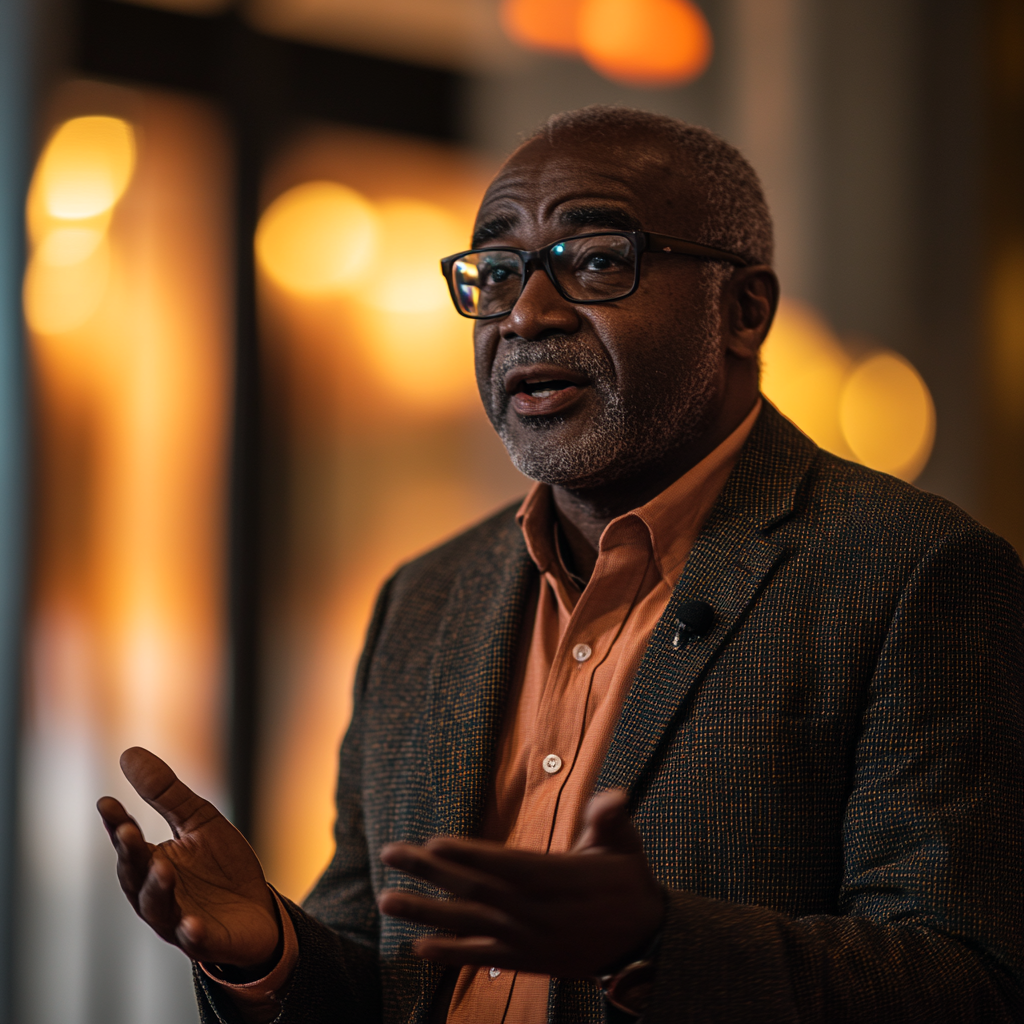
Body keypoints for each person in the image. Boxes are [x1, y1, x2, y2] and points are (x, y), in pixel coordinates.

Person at [98, 106, 1024, 1023]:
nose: (527, 315)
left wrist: (659, 946)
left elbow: (970, 978)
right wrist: (270, 950)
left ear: (743, 310)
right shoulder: (424, 600)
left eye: (594, 262)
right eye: (495, 273)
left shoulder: (914, 575)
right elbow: (389, 979)